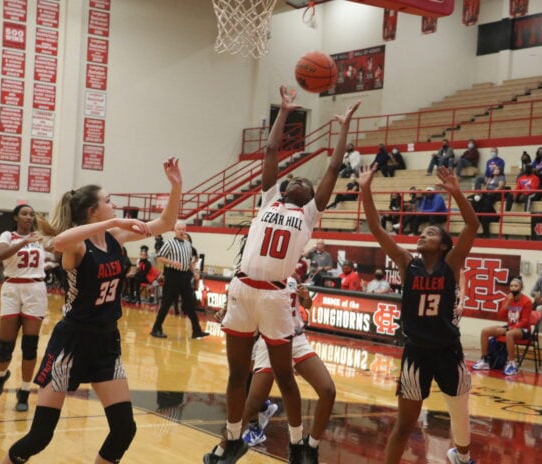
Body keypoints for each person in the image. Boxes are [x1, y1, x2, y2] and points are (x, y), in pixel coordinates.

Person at [204, 86, 360, 464]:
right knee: (236, 374)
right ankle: (233, 438)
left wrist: (343, 129)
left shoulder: (308, 215)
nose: (298, 181)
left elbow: (334, 167)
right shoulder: (269, 197)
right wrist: (285, 112)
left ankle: (296, 444)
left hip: (274, 297)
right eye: (294, 180)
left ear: (308, 198)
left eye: (303, 184)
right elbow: (272, 150)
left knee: (284, 376)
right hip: (242, 289)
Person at [1, 157, 182, 464]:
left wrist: (175, 186)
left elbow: (165, 223)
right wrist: (113, 222)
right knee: (40, 437)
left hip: (105, 343)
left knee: (124, 429)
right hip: (70, 343)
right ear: (93, 211)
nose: (114, 206)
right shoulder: (79, 246)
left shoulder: (115, 238)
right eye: (108, 202)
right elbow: (58, 241)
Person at [357, 163, 479, 464]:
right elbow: (375, 227)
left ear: (443, 245)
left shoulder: (450, 264)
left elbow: (472, 225)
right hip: (415, 351)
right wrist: (365, 189)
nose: (422, 236)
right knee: (403, 425)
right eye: (422, 233)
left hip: (448, 350)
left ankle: (462, 457)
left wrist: (457, 193)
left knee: (459, 415)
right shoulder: (405, 262)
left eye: (430, 233)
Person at [241, 273, 335, 464]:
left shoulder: (292, 277)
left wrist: (306, 298)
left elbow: (306, 306)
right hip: (270, 342)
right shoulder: (258, 277)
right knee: (253, 402)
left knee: (328, 390)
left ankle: (309, 446)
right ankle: (228, 445)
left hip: (297, 339)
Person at [0, 205, 48, 413]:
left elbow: (57, 254)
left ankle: (24, 391)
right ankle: (1, 375)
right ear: (15, 217)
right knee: (5, 346)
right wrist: (24, 241)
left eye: (32, 214)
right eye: (24, 214)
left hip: (35, 289)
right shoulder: (8, 235)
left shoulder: (41, 238)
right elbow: (2, 254)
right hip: (12, 288)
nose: (29, 217)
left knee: (30, 347)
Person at [150, 222, 208, 339]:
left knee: (190, 304)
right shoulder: (169, 243)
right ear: (175, 230)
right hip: (172, 276)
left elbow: (189, 261)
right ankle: (156, 328)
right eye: (179, 229)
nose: (182, 231)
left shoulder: (188, 244)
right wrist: (172, 262)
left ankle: (196, 330)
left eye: (183, 229)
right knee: (166, 303)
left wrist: (194, 272)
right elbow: (160, 257)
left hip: (185, 276)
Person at [472, 277, 533, 375]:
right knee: (485, 331)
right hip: (510, 327)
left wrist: (509, 329)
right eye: (511, 286)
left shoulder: (527, 301)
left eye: (516, 286)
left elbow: (525, 321)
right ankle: (484, 360)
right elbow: (500, 315)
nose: (513, 288)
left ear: (521, 288)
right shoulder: (507, 298)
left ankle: (512, 363)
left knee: (509, 334)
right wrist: (508, 302)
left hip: (523, 330)